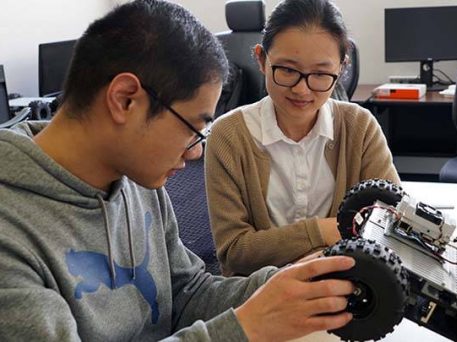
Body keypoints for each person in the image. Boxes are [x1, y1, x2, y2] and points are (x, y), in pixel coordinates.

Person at [0, 1, 357, 340]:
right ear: (125, 99)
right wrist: (246, 328)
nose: (197, 150)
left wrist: (286, 284)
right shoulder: (11, 234)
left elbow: (188, 292)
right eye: (193, 128)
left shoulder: (139, 179)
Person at [205, 0, 399, 276]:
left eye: (320, 74)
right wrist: (324, 230)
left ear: (341, 69)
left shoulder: (360, 127)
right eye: (287, 70)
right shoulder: (228, 137)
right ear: (261, 59)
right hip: (259, 294)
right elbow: (235, 253)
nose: (301, 89)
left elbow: (388, 226)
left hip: (349, 288)